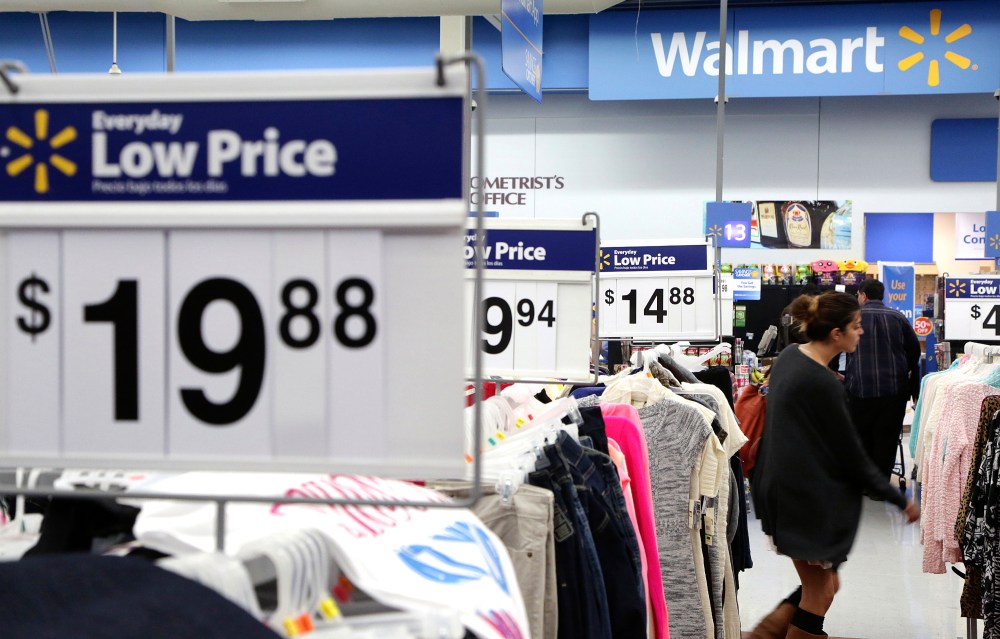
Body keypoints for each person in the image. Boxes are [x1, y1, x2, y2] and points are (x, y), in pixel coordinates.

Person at [750, 292, 920, 639]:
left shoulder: (788, 358)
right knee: (822, 591)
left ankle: (764, 635)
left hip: (781, 489)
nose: (861, 333)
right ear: (836, 334)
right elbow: (853, 457)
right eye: (856, 327)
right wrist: (899, 499)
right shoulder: (822, 383)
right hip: (802, 499)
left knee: (828, 584)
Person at [843, 278, 921, 488]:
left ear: (863, 295)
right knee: (886, 439)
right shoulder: (898, 318)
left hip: (859, 389)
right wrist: (904, 371)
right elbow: (914, 352)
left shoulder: (852, 318)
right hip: (893, 391)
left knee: (862, 436)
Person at [775, 283, 823, 352]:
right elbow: (801, 333)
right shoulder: (792, 310)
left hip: (796, 351)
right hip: (794, 354)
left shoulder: (798, 308)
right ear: (807, 296)